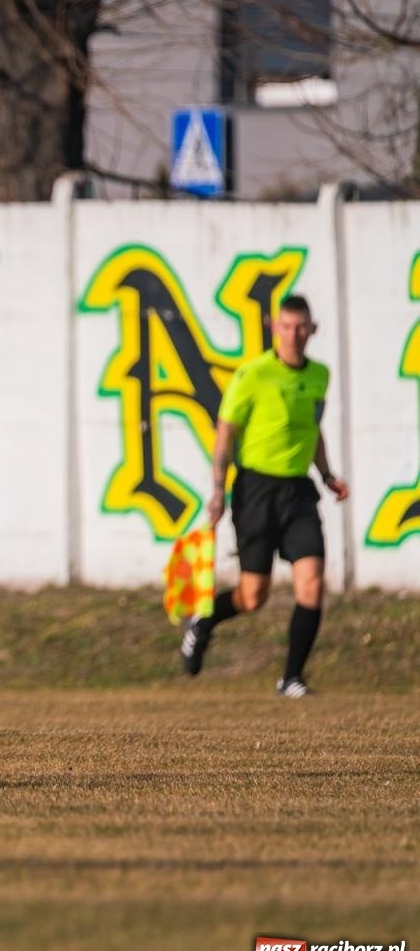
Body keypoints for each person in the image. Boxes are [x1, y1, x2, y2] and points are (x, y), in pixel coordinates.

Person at [181, 294, 349, 697]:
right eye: (286, 326)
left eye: (301, 327)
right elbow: (225, 433)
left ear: (313, 329)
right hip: (256, 489)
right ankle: (202, 622)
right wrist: (218, 491)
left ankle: (291, 677)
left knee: (312, 582)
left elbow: (313, 429)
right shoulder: (252, 374)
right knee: (253, 596)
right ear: (275, 328)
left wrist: (326, 474)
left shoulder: (319, 376)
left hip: (298, 493)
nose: (294, 335)